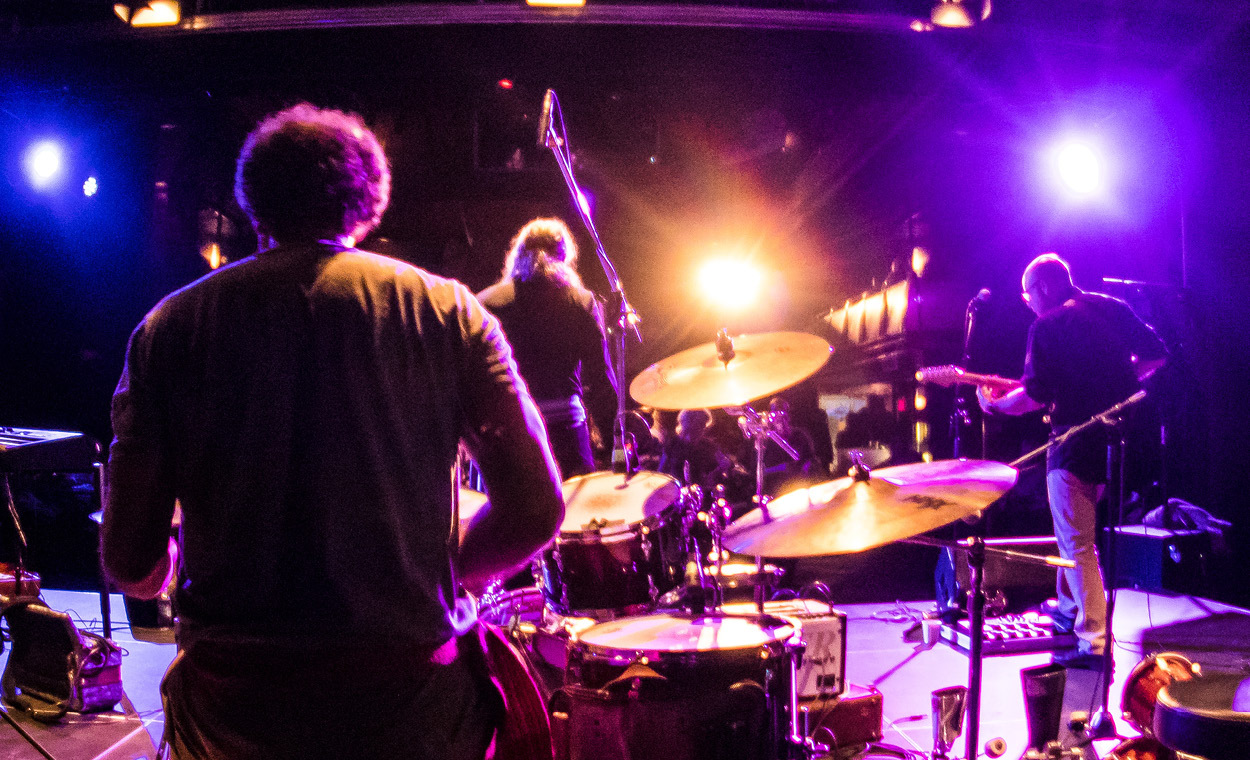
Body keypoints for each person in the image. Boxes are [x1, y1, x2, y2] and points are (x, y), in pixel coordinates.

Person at [100, 104, 565, 759]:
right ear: (367, 201)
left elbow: (128, 560)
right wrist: (441, 567)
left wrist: (171, 564)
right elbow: (536, 510)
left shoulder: (168, 329)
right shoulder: (447, 311)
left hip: (235, 711)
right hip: (405, 708)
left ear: (253, 202)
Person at [977, 253, 1165, 669]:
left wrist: (995, 408)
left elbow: (1034, 396)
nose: (1027, 302)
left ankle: (1093, 641)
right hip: (1114, 442)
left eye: (1028, 294)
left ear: (1043, 287)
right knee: (1073, 531)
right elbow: (1156, 355)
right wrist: (1120, 382)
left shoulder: (1046, 325)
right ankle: (1066, 609)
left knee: (1078, 542)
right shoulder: (1110, 306)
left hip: (1071, 445)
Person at [477, 218, 617, 478]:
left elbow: (473, 377)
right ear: (563, 256)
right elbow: (601, 378)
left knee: (519, 516)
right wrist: (613, 444)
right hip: (567, 431)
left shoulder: (486, 302)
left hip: (513, 430)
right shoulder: (580, 301)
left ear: (517, 254)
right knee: (577, 514)